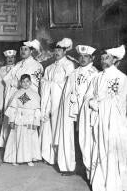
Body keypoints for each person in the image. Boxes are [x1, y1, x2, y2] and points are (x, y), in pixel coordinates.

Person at [79, 45, 127, 191]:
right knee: (98, 148)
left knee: (111, 151)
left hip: (114, 122)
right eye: (102, 58)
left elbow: (119, 101)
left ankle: (114, 184)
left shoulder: (121, 78)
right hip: (98, 119)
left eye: (107, 58)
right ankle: (100, 183)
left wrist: (100, 104)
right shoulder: (97, 77)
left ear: (115, 60)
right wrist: (92, 102)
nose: (103, 60)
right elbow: (88, 97)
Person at [54, 45, 98, 176]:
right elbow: (67, 93)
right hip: (72, 112)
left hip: (86, 112)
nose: (83, 59)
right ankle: (71, 166)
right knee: (72, 138)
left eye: (86, 57)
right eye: (81, 56)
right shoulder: (73, 73)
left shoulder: (95, 74)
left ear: (92, 58)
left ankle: (88, 169)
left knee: (86, 139)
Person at [0, 40, 43, 147]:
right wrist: (14, 83)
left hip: (26, 98)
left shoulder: (36, 65)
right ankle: (12, 146)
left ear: (31, 51)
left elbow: (32, 84)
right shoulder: (19, 64)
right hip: (14, 95)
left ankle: (26, 150)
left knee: (24, 124)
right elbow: (7, 79)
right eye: (22, 49)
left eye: (26, 49)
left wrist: (16, 82)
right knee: (13, 121)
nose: (23, 51)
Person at [40, 38, 75, 165]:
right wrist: (48, 84)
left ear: (65, 51)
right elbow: (43, 82)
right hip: (49, 101)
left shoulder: (69, 65)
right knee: (47, 126)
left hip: (60, 102)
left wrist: (52, 85)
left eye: (60, 50)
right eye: (56, 50)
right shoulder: (49, 67)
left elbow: (68, 84)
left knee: (59, 129)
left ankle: (60, 159)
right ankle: (48, 155)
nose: (57, 52)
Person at [3, 74, 41, 166]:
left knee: (29, 138)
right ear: (20, 83)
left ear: (31, 82)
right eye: (23, 81)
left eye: (27, 81)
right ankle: (15, 158)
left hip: (30, 120)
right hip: (18, 119)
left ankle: (29, 158)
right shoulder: (16, 93)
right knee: (16, 138)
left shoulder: (35, 94)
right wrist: (11, 121)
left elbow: (37, 110)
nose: (25, 83)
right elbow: (12, 108)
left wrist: (36, 122)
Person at [0, 50, 17, 148]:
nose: (10, 59)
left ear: (15, 58)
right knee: (5, 120)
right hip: (5, 97)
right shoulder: (1, 70)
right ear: (5, 59)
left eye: (12, 57)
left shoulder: (18, 68)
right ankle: (5, 143)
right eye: (8, 58)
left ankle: (14, 144)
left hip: (15, 97)